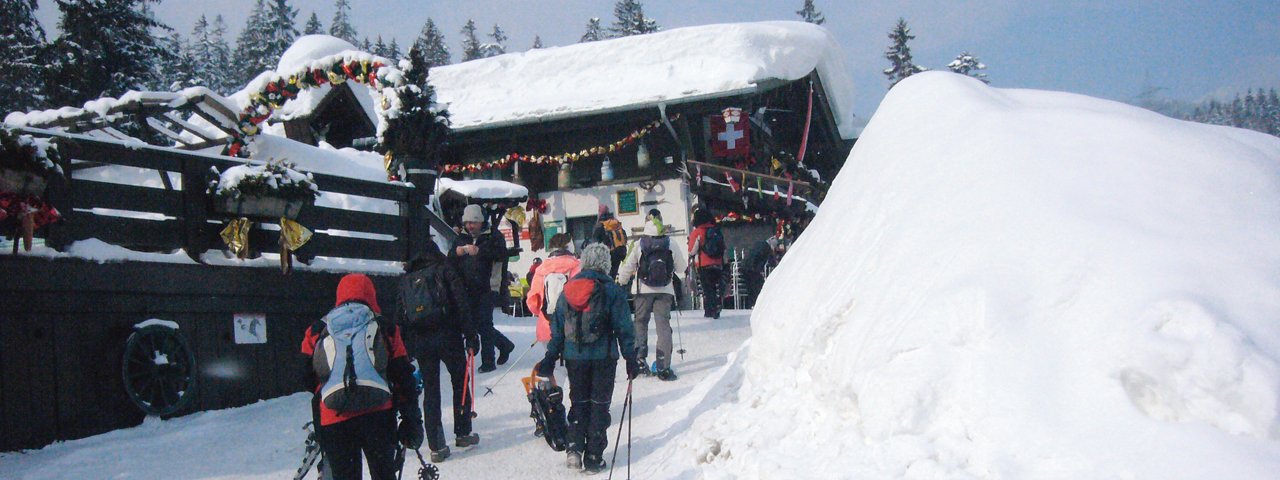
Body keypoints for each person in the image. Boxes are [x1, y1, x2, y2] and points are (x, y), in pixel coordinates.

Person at [300, 274, 421, 480]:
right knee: (383, 474)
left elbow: (304, 375)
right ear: (371, 295)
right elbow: (403, 376)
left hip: (334, 418)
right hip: (378, 416)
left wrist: (332, 389)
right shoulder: (386, 327)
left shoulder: (317, 329)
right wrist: (411, 419)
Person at [537, 244, 641, 473]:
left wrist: (550, 357)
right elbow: (624, 327)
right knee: (599, 406)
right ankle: (594, 456)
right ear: (606, 263)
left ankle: (574, 448)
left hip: (575, 357)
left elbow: (558, 329)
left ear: (583, 261)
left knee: (579, 402)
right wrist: (631, 357)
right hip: (604, 358)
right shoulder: (611, 290)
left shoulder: (568, 290)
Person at [397, 242, 480, 463]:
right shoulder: (444, 269)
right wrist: (471, 335)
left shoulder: (407, 278)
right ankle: (463, 432)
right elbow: (461, 303)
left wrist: (407, 346)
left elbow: (401, 316)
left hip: (422, 340)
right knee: (460, 381)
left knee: (431, 391)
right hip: (448, 334)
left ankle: (436, 445)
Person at [616, 218, 686, 380]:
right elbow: (681, 267)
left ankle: (640, 360)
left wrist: (622, 282)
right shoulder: (671, 243)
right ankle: (663, 366)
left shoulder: (639, 244)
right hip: (665, 290)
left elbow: (627, 266)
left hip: (642, 290)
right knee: (663, 326)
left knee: (640, 323)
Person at [449, 204, 516, 373]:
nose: (470, 226)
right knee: (476, 324)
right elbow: (450, 259)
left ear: (481, 222)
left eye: (473, 222)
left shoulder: (493, 236)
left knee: (485, 323)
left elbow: (501, 255)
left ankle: (488, 361)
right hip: (466, 287)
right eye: (467, 222)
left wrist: (480, 251)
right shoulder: (461, 237)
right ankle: (504, 344)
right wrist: (457, 252)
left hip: (488, 286)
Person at [526, 233, 581, 344]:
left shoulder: (541, 269)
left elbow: (532, 302)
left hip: (547, 327)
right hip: (575, 326)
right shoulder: (579, 267)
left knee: (551, 359)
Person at [687, 207, 724, 319]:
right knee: (715, 287)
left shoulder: (697, 232)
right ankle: (716, 305)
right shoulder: (717, 230)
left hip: (704, 264)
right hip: (718, 263)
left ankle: (711, 310)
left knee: (708, 289)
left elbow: (691, 251)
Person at [740, 236, 780, 309]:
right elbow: (772, 262)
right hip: (752, 268)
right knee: (759, 285)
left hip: (745, 266)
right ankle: (758, 304)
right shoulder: (767, 248)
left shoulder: (759, 243)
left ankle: (752, 304)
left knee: (750, 287)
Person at [589, 204, 628, 277]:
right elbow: (624, 234)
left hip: (608, 253)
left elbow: (594, 241)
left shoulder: (600, 224)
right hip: (620, 251)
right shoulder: (615, 222)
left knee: (607, 274)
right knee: (614, 271)